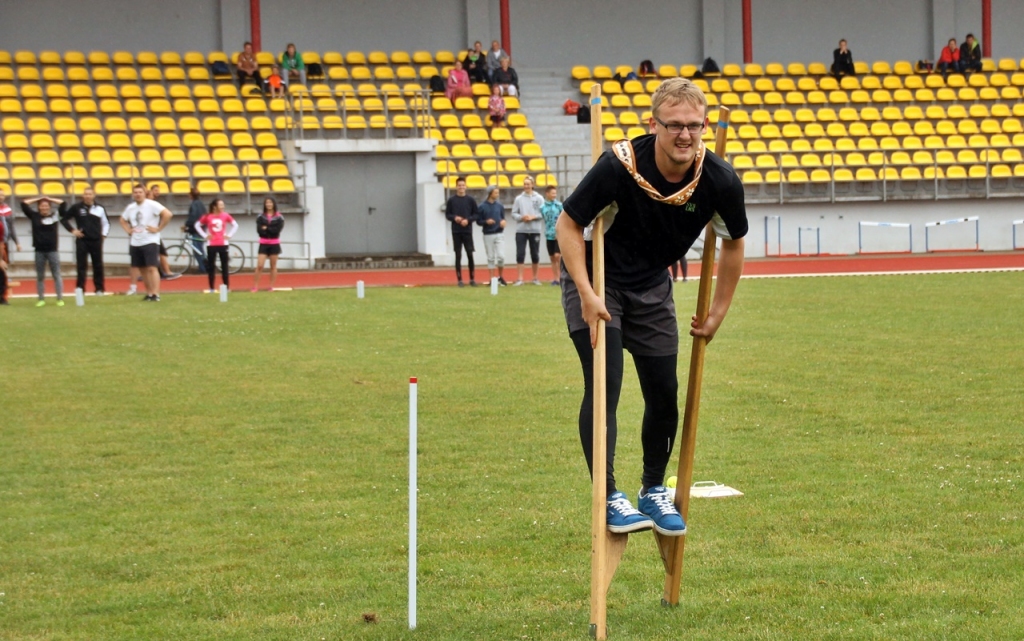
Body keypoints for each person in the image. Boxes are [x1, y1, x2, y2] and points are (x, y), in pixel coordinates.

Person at [555, 77, 747, 536]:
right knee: (605, 387)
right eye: (675, 125)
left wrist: (719, 311)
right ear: (654, 124)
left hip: (652, 286)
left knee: (664, 393)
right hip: (599, 281)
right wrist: (585, 291)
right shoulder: (619, 165)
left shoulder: (719, 179)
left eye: (694, 126)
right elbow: (568, 225)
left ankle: (653, 489)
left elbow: (733, 244)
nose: (685, 135)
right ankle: (608, 495)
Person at [120, 183, 173, 302]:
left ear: (145, 193)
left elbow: (167, 214)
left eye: (140, 192)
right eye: (136, 192)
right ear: (133, 194)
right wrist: (128, 230)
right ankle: (149, 293)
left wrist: (158, 228)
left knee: (151, 268)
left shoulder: (152, 204)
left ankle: (156, 293)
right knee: (142, 269)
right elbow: (122, 220)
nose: (138, 194)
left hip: (150, 240)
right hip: (136, 241)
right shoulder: (131, 207)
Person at [58, 186, 110, 295]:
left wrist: (104, 235)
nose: (88, 196)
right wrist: (72, 230)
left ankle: (99, 289)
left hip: (96, 240)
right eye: (86, 194)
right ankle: (80, 288)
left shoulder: (100, 208)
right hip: (82, 240)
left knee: (98, 265)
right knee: (81, 265)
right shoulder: (77, 207)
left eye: (90, 194)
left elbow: (106, 223)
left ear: (94, 195)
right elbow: (64, 219)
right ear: (83, 195)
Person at [21, 196, 66, 307]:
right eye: (42, 206)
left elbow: (64, 204)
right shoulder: (35, 216)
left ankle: (59, 298)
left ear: (50, 207)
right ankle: (41, 299)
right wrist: (38, 199)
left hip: (52, 250)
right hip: (39, 251)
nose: (44, 207)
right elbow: (23, 204)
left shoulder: (55, 216)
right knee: (40, 276)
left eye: (46, 206)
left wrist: (49, 198)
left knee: (56, 275)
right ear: (39, 207)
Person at [195, 198, 239, 293]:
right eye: (220, 205)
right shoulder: (208, 216)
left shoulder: (225, 215)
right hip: (211, 244)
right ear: (215, 206)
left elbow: (235, 225)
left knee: (225, 266)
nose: (223, 207)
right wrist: (205, 236)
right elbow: (197, 225)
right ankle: (211, 288)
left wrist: (229, 235)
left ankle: (226, 287)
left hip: (223, 244)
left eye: (223, 205)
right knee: (211, 267)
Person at [445, 177, 479, 286]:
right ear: (456, 187)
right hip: (456, 231)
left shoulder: (471, 200)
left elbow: (476, 214)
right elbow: (448, 215)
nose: (461, 187)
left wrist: (468, 220)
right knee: (458, 255)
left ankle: (472, 279)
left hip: (467, 231)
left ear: (466, 186)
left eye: (463, 185)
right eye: (459, 185)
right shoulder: (451, 200)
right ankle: (459, 279)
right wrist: (455, 218)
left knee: (470, 254)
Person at [511, 176, 544, 285]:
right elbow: (514, 213)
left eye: (528, 184)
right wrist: (522, 217)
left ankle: (535, 278)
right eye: (525, 184)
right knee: (520, 254)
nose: (526, 186)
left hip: (535, 230)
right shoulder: (518, 199)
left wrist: (533, 217)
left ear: (532, 185)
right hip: (521, 230)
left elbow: (543, 212)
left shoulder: (539, 198)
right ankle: (520, 279)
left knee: (535, 254)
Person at [253, 197, 285, 292]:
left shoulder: (279, 217)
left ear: (274, 204)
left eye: (270, 202)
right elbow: (259, 230)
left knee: (273, 266)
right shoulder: (260, 216)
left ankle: (271, 286)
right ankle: (255, 286)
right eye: (267, 203)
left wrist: (266, 228)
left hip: (274, 243)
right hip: (263, 243)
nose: (268, 204)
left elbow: (277, 231)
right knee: (260, 265)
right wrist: (269, 229)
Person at [477, 185, 507, 285]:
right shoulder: (482, 206)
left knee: (501, 256)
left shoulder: (499, 205)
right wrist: (486, 222)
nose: (497, 195)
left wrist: (503, 222)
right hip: (488, 234)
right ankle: (492, 279)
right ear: (490, 193)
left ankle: (500, 276)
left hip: (499, 233)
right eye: (496, 193)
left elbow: (503, 218)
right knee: (490, 257)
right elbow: (478, 221)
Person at [539, 185, 563, 286]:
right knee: (552, 257)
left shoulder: (559, 205)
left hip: (558, 234)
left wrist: (559, 232)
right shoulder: (542, 207)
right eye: (552, 193)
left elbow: (562, 220)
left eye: (555, 193)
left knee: (558, 256)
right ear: (547, 194)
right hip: (548, 234)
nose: (554, 195)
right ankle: (556, 278)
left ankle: (562, 277)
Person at [183, 185, 207, 274]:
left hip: (197, 229)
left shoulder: (194, 204)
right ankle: (204, 266)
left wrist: (187, 225)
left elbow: (193, 217)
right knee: (200, 248)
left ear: (191, 195)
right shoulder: (200, 204)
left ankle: (203, 268)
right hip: (202, 228)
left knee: (197, 249)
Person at [0, 188, 21, 258]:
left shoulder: (7, 209)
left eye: (2, 195)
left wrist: (17, 242)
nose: (1, 197)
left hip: (5, 242)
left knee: (4, 266)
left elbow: (11, 227)